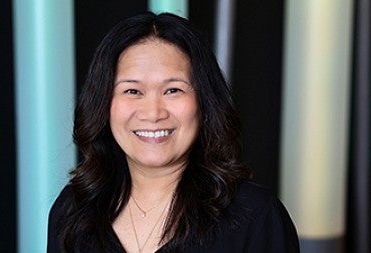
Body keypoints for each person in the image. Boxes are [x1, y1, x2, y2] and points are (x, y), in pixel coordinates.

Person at [47, 12, 299, 253]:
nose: (153, 113)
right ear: (103, 103)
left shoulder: (255, 216)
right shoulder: (73, 211)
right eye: (132, 91)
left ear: (204, 102)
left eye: (173, 90)